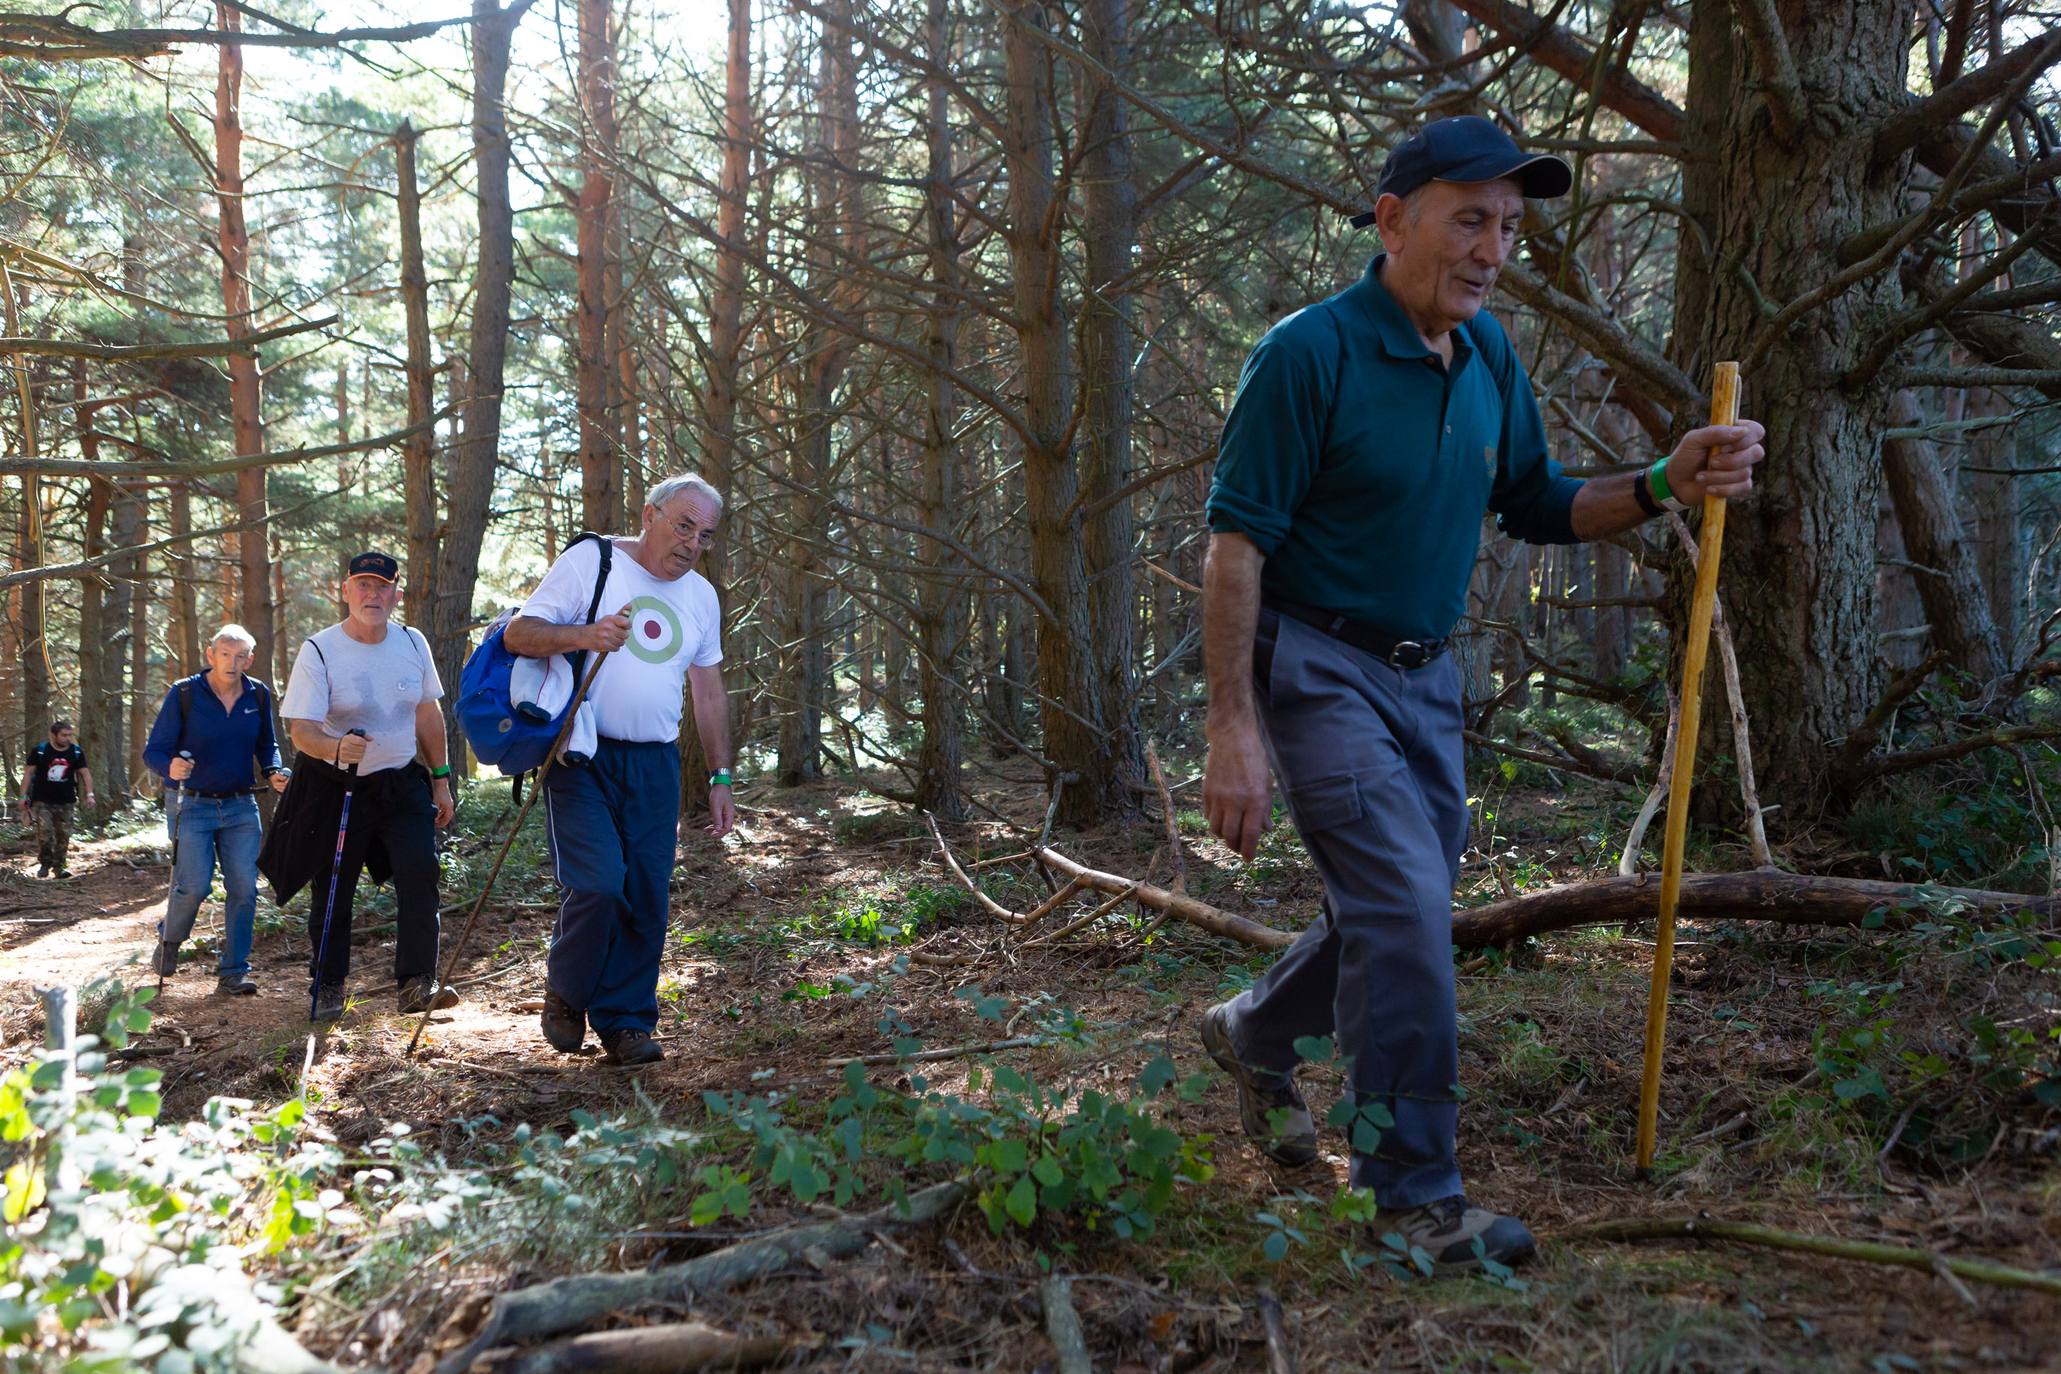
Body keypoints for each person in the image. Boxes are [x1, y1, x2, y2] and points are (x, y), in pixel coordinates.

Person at [1197, 116, 1766, 1272]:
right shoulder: (1309, 355)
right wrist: (1231, 729)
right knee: (1407, 908)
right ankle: (1414, 1198)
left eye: (1509, 226)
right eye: (1470, 218)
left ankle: (1253, 1032)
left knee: (1396, 902)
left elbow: (1541, 502)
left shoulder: (1488, 354)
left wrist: (1667, 479)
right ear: (1393, 217)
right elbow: (1234, 553)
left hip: (1427, 677)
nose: (1494, 249)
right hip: (1316, 666)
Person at [502, 474, 736, 1066]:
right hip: (581, 752)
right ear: (649, 514)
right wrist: (586, 634)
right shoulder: (593, 560)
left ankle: (626, 1022)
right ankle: (568, 989)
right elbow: (519, 633)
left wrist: (721, 776)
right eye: (683, 525)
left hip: (655, 763)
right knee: (600, 882)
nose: (691, 543)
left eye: (704, 535)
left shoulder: (702, 597)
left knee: (646, 894)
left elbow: (708, 693)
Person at [260, 551, 459, 1021]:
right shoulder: (320, 649)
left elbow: (427, 714)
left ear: (396, 594)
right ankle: (328, 984)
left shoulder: (413, 643)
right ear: (345, 590)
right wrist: (333, 748)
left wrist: (441, 779)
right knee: (333, 885)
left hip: (400, 782)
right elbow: (301, 729)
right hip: (337, 787)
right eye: (363, 585)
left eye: (382, 586)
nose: (373, 595)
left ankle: (416, 983)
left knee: (420, 873)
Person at [143, 624, 291, 995]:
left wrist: (273, 770)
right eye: (225, 653)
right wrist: (170, 767)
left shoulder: (257, 694)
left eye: (240, 655)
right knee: (193, 885)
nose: (232, 661)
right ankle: (170, 940)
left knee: (244, 887)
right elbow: (154, 751)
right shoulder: (185, 694)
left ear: (250, 659)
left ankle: (234, 971)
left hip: (241, 805)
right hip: (191, 804)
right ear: (211, 655)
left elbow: (267, 744)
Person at [20, 718, 93, 879]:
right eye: (64, 735)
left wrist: (89, 794)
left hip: (66, 800)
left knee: (63, 835)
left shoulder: (76, 752)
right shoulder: (40, 751)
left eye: (69, 735)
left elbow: (85, 773)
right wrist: (23, 796)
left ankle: (59, 867)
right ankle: (45, 864)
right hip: (42, 800)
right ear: (53, 735)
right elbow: (28, 774)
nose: (67, 738)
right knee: (45, 832)